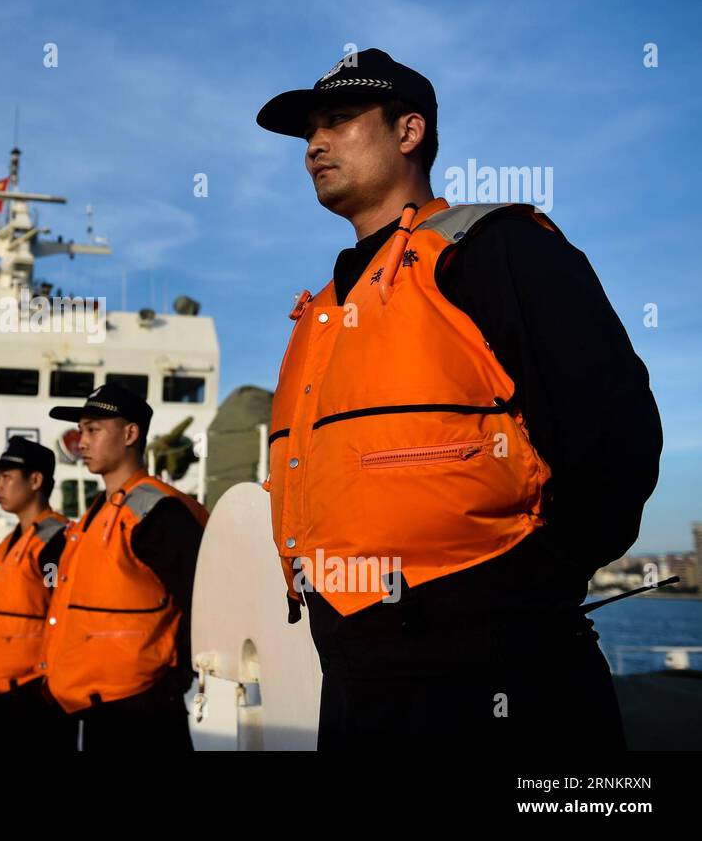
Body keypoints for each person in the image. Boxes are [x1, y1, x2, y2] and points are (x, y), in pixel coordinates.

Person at [254, 47, 663, 749]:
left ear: (408, 131)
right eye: (309, 132)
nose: (314, 144)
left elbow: (613, 429)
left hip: (493, 664)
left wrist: (524, 586)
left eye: (339, 120)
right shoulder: (322, 312)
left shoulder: (492, 249)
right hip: (350, 669)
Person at [41, 383, 207, 751]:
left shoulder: (157, 511)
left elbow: (200, 599)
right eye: (81, 431)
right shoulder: (100, 511)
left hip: (141, 708)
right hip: (98, 705)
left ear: (131, 433)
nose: (80, 442)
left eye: (93, 430)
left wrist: (171, 682)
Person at [0, 437, 76, 750]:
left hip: (32, 695)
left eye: (5, 477)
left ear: (35, 480)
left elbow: (62, 611)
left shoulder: (55, 541)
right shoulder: (7, 545)